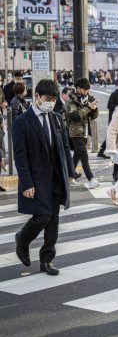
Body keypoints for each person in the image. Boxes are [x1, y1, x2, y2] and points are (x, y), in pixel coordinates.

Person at [13, 79, 76, 275]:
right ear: (37, 97)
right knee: (43, 216)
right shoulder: (22, 122)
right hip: (37, 178)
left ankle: (47, 260)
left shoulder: (56, 118)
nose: (51, 102)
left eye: (54, 99)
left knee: (54, 220)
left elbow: (65, 147)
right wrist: (27, 182)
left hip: (57, 177)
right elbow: (20, 156)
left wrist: (70, 173)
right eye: (48, 99)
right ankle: (22, 239)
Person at [64, 78, 100, 189]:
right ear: (78, 89)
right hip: (75, 131)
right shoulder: (72, 100)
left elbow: (94, 116)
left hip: (85, 131)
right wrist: (88, 107)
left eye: (87, 90)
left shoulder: (89, 98)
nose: (86, 92)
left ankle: (69, 177)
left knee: (77, 155)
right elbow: (74, 116)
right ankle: (91, 179)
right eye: (84, 90)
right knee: (84, 155)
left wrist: (94, 108)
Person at [98, 78, 118, 160]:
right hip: (114, 117)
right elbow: (109, 106)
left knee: (115, 135)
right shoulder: (114, 94)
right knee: (112, 134)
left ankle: (103, 151)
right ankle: (102, 151)